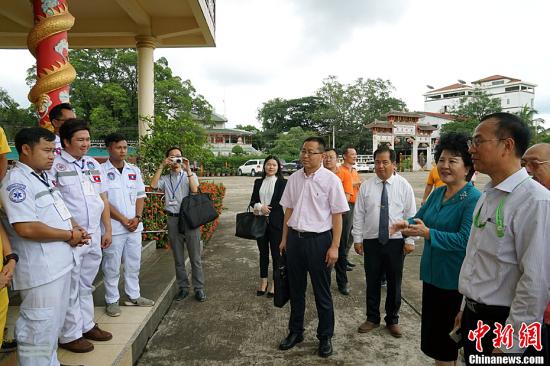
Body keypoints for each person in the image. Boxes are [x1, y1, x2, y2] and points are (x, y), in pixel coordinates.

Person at [455, 113, 550, 363]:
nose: (471, 149)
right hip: (475, 318)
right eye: (471, 143)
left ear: (507, 146)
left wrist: (510, 346)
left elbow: (536, 281)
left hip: (504, 324)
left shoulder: (535, 201)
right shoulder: (488, 195)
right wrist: (465, 310)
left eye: (478, 141)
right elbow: (476, 259)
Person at [392, 132, 481, 365]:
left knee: (447, 346)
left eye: (453, 160)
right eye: (441, 159)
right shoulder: (438, 192)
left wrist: (428, 233)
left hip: (454, 284)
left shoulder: (473, 198)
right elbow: (420, 219)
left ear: (468, 166)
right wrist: (406, 225)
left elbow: (465, 239)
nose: (444, 165)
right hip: (432, 277)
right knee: (436, 344)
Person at [0, 127, 86, 365]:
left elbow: (57, 211)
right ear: (26, 150)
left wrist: (76, 228)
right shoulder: (16, 182)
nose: (52, 156)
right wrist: (69, 234)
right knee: (38, 330)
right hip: (41, 271)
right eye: (47, 150)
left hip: (59, 265)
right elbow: (25, 227)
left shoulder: (41, 177)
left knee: (52, 327)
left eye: (53, 150)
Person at [278, 137, 349, 358]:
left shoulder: (331, 180)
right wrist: (284, 239)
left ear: (321, 155)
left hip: (319, 242)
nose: (305, 156)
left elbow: (338, 216)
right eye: (303, 151)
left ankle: (325, 336)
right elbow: (288, 210)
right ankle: (296, 331)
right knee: (296, 290)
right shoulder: (294, 179)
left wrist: (335, 247)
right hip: (295, 241)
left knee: (322, 292)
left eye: (310, 152)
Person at [51, 119, 113, 353]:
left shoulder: (92, 164)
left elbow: (103, 199)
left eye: (87, 139)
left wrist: (107, 229)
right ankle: (69, 334)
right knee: (72, 285)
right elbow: (57, 203)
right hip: (73, 236)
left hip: (95, 234)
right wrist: (75, 229)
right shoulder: (55, 166)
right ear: (66, 141)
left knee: (86, 283)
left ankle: (87, 325)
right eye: (80, 140)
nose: (85, 144)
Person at [352, 146, 416, 338]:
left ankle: (393, 319)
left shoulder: (404, 185)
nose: (380, 166)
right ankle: (372, 318)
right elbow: (359, 214)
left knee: (395, 283)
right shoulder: (367, 186)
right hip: (371, 241)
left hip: (396, 242)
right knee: (372, 281)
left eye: (385, 162)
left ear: (393, 164)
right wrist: (357, 238)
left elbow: (411, 214)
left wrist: (410, 239)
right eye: (377, 162)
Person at [101, 133, 154, 317]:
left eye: (125, 147)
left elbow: (141, 195)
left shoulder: (134, 170)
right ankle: (112, 300)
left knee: (133, 263)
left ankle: (134, 295)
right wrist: (123, 220)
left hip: (134, 227)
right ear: (109, 148)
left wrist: (137, 217)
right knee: (112, 265)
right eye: (118, 147)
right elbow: (104, 201)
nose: (123, 151)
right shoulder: (101, 171)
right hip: (114, 229)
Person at [150, 147, 206, 302]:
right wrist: (161, 166)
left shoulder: (190, 175)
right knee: (178, 258)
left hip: (189, 219)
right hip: (173, 219)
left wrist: (188, 169)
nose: (176, 160)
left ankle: (199, 288)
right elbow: (153, 186)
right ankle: (183, 288)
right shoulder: (165, 178)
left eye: (178, 157)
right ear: (168, 159)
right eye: (172, 157)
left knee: (195, 257)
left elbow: (194, 191)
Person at [522, 142, 550, 362]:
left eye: (535, 164)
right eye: (525, 164)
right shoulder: (527, 203)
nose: (528, 170)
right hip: (530, 315)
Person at [248, 155, 287, 297]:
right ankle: (263, 281)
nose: (271, 167)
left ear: (278, 168)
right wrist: (260, 206)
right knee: (263, 253)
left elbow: (284, 202)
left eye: (274, 165)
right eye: (268, 164)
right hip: (260, 223)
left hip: (276, 224)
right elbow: (253, 200)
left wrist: (269, 209)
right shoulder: (258, 182)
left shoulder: (283, 182)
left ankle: (276, 283)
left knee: (277, 255)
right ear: (264, 166)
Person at [323, 148, 353, 295]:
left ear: (337, 159)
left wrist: (331, 208)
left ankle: (342, 282)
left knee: (339, 250)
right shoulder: (318, 174)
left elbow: (347, 197)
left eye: (331, 157)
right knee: (324, 251)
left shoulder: (345, 174)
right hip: (322, 220)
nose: (328, 159)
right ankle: (325, 282)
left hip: (340, 217)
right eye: (326, 157)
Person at [340, 147, 361, 269]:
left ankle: (345, 257)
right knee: (345, 233)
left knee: (353, 233)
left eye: (355, 154)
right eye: (352, 154)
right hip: (346, 205)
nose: (355, 156)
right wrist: (353, 184)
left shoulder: (353, 170)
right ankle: (341, 261)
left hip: (355, 205)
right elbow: (337, 187)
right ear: (344, 156)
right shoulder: (340, 170)